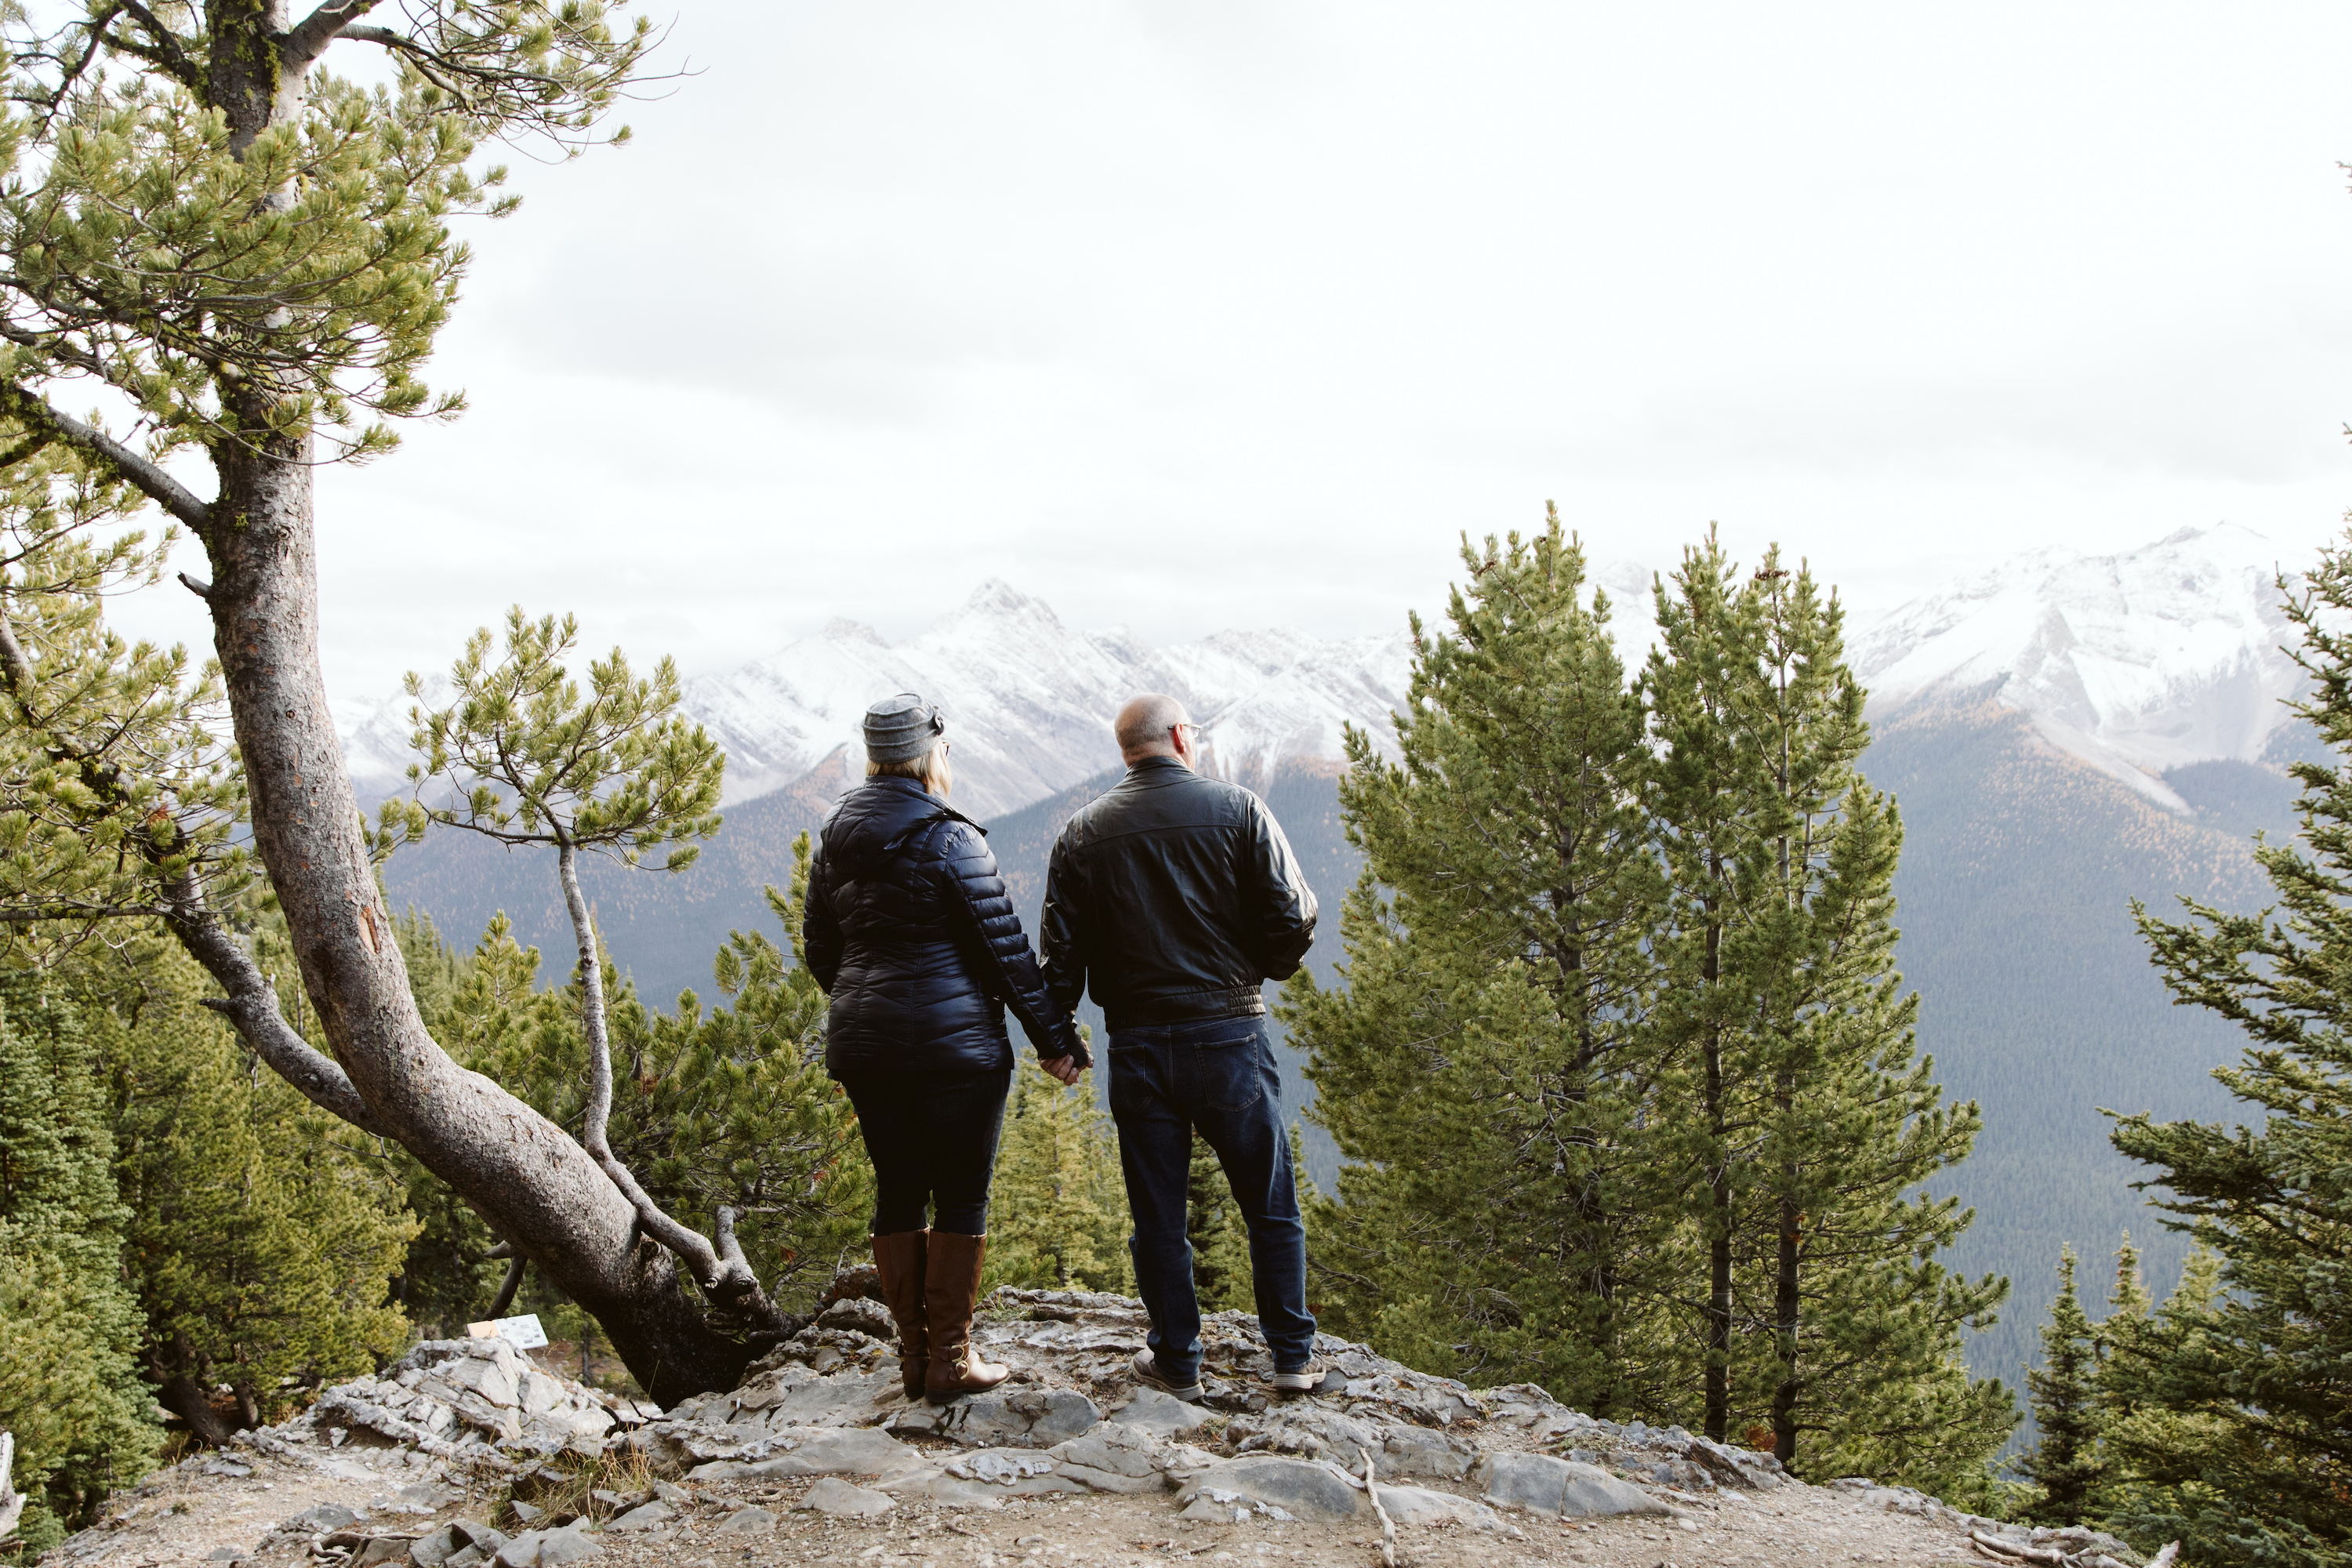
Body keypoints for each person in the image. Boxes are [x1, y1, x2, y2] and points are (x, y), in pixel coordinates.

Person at [1038, 693, 1324, 1400]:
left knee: (1158, 1217)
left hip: (1137, 1044)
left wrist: (1059, 1037)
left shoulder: (1082, 833)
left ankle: (1177, 1361)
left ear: (1127, 749)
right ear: (1178, 737)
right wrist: (1262, 968)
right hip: (1231, 1033)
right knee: (1269, 1203)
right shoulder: (1241, 809)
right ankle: (1291, 1357)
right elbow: (1295, 915)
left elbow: (1058, 954)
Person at [804, 692, 1088, 1403]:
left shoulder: (835, 839)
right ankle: (951, 1362)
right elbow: (1007, 954)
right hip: (956, 1051)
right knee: (962, 1193)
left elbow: (819, 950)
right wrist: (1056, 1043)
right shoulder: (952, 838)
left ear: (875, 759)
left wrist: (868, 1002)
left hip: (864, 1048)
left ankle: (911, 1359)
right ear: (931, 755)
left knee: (897, 1188)